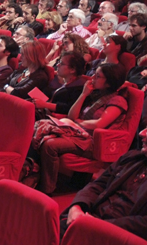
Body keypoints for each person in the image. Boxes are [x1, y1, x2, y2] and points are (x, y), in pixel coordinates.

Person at [29, 63, 128, 194]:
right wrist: (84, 94)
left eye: (98, 76)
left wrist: (77, 123)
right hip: (78, 134)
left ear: (109, 83)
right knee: (39, 132)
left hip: (93, 141)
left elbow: (100, 124)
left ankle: (46, 190)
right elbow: (72, 115)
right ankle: (32, 174)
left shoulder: (118, 101)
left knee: (50, 145)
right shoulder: (95, 95)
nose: (92, 78)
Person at [59, 127, 147, 240]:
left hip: (119, 236)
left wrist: (98, 226)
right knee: (43, 229)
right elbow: (97, 185)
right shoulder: (131, 157)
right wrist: (77, 207)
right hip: (88, 219)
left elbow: (143, 225)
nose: (141, 133)